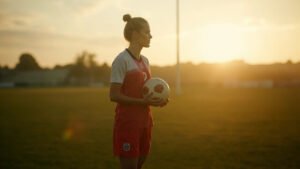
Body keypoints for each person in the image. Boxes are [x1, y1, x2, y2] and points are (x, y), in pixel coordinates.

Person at [109, 14, 168, 169]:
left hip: (145, 121)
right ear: (135, 34)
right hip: (128, 123)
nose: (151, 36)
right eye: (147, 32)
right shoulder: (121, 60)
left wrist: (158, 100)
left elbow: (146, 92)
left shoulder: (146, 61)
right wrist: (142, 102)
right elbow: (113, 95)